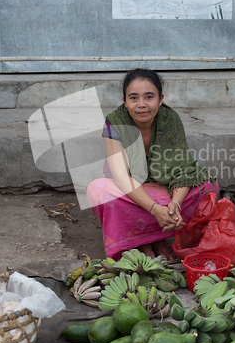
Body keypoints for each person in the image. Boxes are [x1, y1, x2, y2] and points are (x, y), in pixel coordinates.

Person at [87, 68, 219, 260]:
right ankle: (144, 241)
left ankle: (156, 233)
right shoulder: (114, 123)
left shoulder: (170, 119)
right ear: (125, 100)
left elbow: (183, 169)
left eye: (149, 97)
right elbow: (122, 177)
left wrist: (175, 204)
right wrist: (155, 209)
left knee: (208, 187)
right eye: (134, 98)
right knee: (97, 190)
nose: (142, 105)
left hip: (164, 190)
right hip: (134, 192)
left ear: (160, 99)